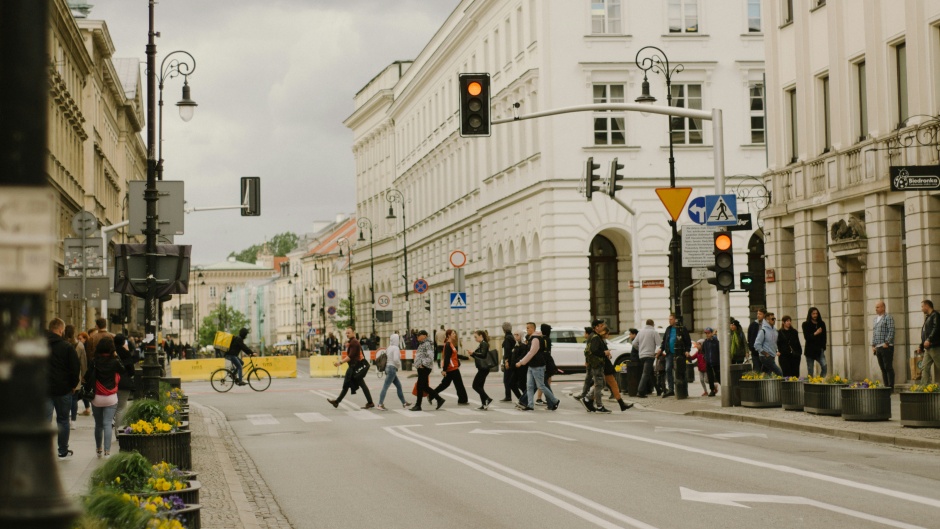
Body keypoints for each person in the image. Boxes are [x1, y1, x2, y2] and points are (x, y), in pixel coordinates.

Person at [85, 335, 125, 458]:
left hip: (96, 396)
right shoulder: (114, 362)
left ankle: (98, 449)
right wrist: (116, 356)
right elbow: (123, 370)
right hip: (111, 397)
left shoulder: (94, 361)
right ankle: (107, 451)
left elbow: (87, 377)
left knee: (98, 424)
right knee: (108, 423)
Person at [46, 318, 80, 459]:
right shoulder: (67, 347)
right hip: (63, 389)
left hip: (44, 389)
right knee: (63, 420)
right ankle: (62, 450)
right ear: (61, 330)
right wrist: (73, 385)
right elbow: (74, 368)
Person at [516, 322, 560, 411]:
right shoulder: (532, 338)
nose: (527, 329)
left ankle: (554, 400)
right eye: (526, 328)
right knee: (529, 386)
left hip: (538, 366)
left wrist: (521, 362)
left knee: (541, 386)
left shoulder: (535, 339)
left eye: (528, 328)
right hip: (531, 365)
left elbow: (532, 352)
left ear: (533, 329)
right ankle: (530, 405)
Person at [328, 327, 374, 409]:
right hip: (354, 367)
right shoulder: (353, 342)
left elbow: (350, 357)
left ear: (353, 333)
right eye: (346, 333)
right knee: (356, 385)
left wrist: (340, 362)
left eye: (349, 333)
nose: (347, 334)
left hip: (354, 368)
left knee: (347, 385)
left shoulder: (354, 343)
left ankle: (337, 402)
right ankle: (337, 402)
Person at [581, 319, 612, 413]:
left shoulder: (593, 336)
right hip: (597, 364)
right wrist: (604, 353)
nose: (603, 327)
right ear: (596, 327)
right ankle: (599, 406)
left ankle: (587, 399)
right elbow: (594, 351)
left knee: (601, 383)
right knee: (599, 384)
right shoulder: (595, 337)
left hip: (595, 364)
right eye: (601, 325)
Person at [433, 329, 469, 404]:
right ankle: (463, 400)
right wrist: (444, 370)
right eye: (453, 333)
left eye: (455, 333)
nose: (454, 335)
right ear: (449, 335)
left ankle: (431, 395)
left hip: (452, 367)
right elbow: (447, 358)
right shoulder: (448, 345)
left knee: (445, 384)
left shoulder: (451, 344)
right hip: (452, 368)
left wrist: (465, 357)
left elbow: (455, 355)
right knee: (459, 384)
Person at [376, 333, 411, 411]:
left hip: (388, 368)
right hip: (392, 369)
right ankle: (380, 404)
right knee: (385, 387)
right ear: (397, 340)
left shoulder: (389, 347)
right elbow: (395, 359)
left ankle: (404, 403)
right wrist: (399, 365)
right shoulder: (396, 348)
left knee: (398, 385)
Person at [411, 330, 444, 411]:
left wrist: (423, 364)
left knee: (420, 386)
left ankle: (418, 405)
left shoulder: (427, 344)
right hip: (422, 368)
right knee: (424, 386)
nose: (417, 336)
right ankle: (439, 399)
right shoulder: (423, 343)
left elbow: (431, 356)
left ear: (424, 336)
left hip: (424, 368)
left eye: (419, 335)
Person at [659, 313, 690, 398]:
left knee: (681, 371)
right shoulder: (668, 329)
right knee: (668, 369)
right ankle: (671, 389)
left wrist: (687, 350)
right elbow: (665, 340)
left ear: (675, 320)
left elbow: (687, 340)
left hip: (680, 353)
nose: (669, 321)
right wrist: (661, 349)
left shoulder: (682, 329)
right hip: (670, 352)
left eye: (671, 319)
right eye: (669, 319)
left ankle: (684, 390)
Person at [64, 325, 87, 428]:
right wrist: (83, 375)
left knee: (64, 397)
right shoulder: (80, 345)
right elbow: (83, 363)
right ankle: (73, 420)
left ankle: (66, 417)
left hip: (63, 374)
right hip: (76, 374)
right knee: (74, 398)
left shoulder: (62, 344)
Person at [114, 334, 137, 429]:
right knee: (121, 408)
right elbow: (131, 371)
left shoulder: (111, 352)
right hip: (123, 383)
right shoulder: (125, 353)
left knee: (112, 407)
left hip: (110, 383)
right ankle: (118, 432)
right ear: (124, 342)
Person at [469, 330, 496, 409]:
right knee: (480, 386)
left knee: (475, 385)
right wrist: (472, 354)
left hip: (484, 369)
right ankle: (484, 404)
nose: (475, 339)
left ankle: (487, 399)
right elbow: (479, 357)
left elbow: (483, 355)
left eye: (476, 337)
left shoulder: (484, 344)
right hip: (482, 368)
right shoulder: (482, 343)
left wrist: (473, 353)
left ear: (481, 336)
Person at [634, 320, 661, 398]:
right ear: (652, 324)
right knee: (645, 373)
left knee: (651, 373)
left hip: (642, 355)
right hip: (650, 355)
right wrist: (656, 352)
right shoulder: (654, 332)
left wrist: (640, 349)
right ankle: (640, 391)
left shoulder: (640, 332)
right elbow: (659, 344)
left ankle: (658, 389)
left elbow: (634, 343)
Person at [872, 301, 896, 388]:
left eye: (878, 307)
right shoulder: (875, 319)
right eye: (876, 307)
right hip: (878, 347)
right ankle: (886, 386)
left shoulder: (888, 317)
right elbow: (874, 332)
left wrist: (887, 342)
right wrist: (873, 345)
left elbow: (891, 330)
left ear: (883, 307)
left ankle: (891, 386)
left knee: (888, 367)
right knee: (882, 368)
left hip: (886, 346)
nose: (876, 309)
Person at [802, 307, 828, 377]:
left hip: (819, 350)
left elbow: (824, 337)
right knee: (810, 371)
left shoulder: (821, 323)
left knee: (824, 367)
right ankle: (810, 385)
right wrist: (815, 333)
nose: (815, 315)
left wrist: (823, 347)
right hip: (810, 350)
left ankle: (820, 380)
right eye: (813, 314)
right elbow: (807, 337)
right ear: (810, 314)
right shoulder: (805, 324)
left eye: (816, 313)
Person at [920, 300, 940, 384]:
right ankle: (924, 387)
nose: (921, 309)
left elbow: (936, 328)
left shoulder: (935, 315)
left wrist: (929, 339)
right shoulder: (928, 317)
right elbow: (925, 333)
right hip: (928, 347)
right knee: (924, 367)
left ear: (927, 306)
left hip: (934, 346)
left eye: (922, 306)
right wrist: (921, 345)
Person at [510, 332, 529, 408]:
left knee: (522, 385)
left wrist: (516, 363)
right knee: (512, 384)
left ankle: (524, 400)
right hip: (515, 368)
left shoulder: (524, 345)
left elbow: (522, 356)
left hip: (521, 368)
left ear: (521, 336)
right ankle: (522, 399)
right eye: (515, 334)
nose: (515, 336)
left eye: (517, 335)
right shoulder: (516, 345)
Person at [701, 327, 721, 396]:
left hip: (716, 362)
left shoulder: (716, 342)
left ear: (712, 333)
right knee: (710, 377)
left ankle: (724, 388)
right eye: (706, 333)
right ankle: (712, 390)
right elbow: (703, 350)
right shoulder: (705, 342)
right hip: (708, 362)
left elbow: (719, 351)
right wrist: (705, 357)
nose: (707, 335)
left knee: (718, 376)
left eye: (708, 333)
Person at [500, 322, 515, 402]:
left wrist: (506, 361)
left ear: (503, 329)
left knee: (506, 380)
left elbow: (507, 351)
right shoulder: (511, 336)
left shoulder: (507, 338)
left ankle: (508, 396)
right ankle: (508, 396)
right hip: (511, 360)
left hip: (508, 361)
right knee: (509, 379)